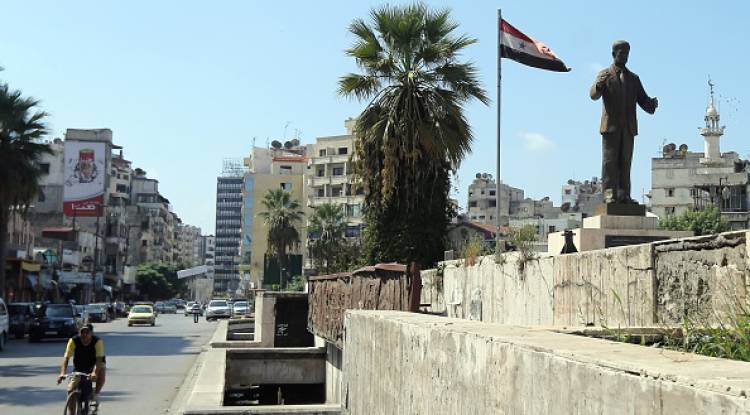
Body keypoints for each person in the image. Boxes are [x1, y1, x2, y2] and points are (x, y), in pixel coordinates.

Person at [590, 40, 658, 204]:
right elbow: (593, 95)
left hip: (628, 128)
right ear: (614, 54)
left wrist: (651, 104)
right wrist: (598, 85)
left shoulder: (633, 79)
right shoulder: (605, 75)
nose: (625, 57)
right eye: (621, 54)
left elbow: (643, 100)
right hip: (610, 127)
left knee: (625, 162)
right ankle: (609, 194)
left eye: (627, 54)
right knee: (610, 162)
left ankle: (624, 194)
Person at [57, 323, 106, 408]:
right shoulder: (73, 340)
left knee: (101, 371)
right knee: (70, 389)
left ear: (91, 333)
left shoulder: (97, 341)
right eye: (82, 332)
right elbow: (66, 358)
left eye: (87, 332)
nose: (84, 335)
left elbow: (99, 359)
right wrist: (62, 373)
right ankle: (72, 412)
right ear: (79, 333)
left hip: (95, 364)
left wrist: (95, 373)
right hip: (79, 366)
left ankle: (96, 394)